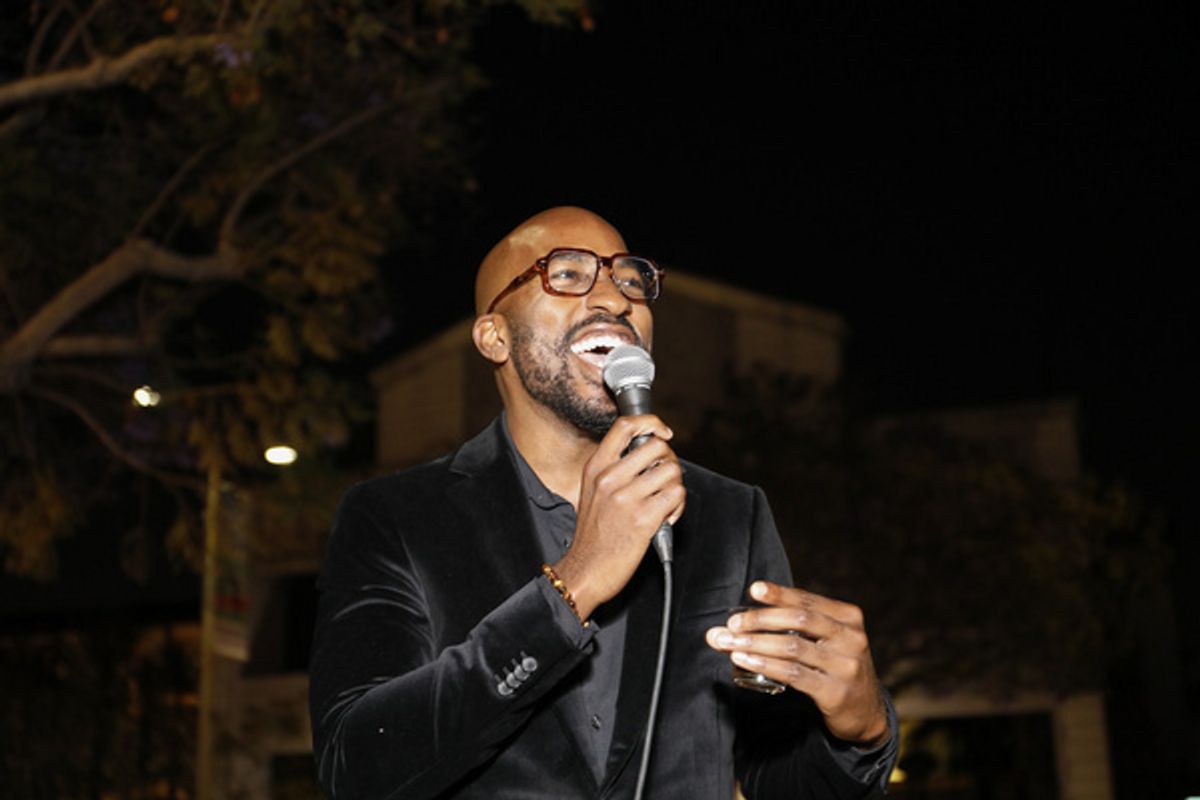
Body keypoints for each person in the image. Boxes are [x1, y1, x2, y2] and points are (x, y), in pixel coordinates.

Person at [308, 207, 898, 799]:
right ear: (495, 336)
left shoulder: (728, 514)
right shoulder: (393, 517)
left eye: (632, 280)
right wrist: (574, 585)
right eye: (566, 273)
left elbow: (782, 780)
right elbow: (356, 767)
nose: (616, 299)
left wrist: (859, 730)